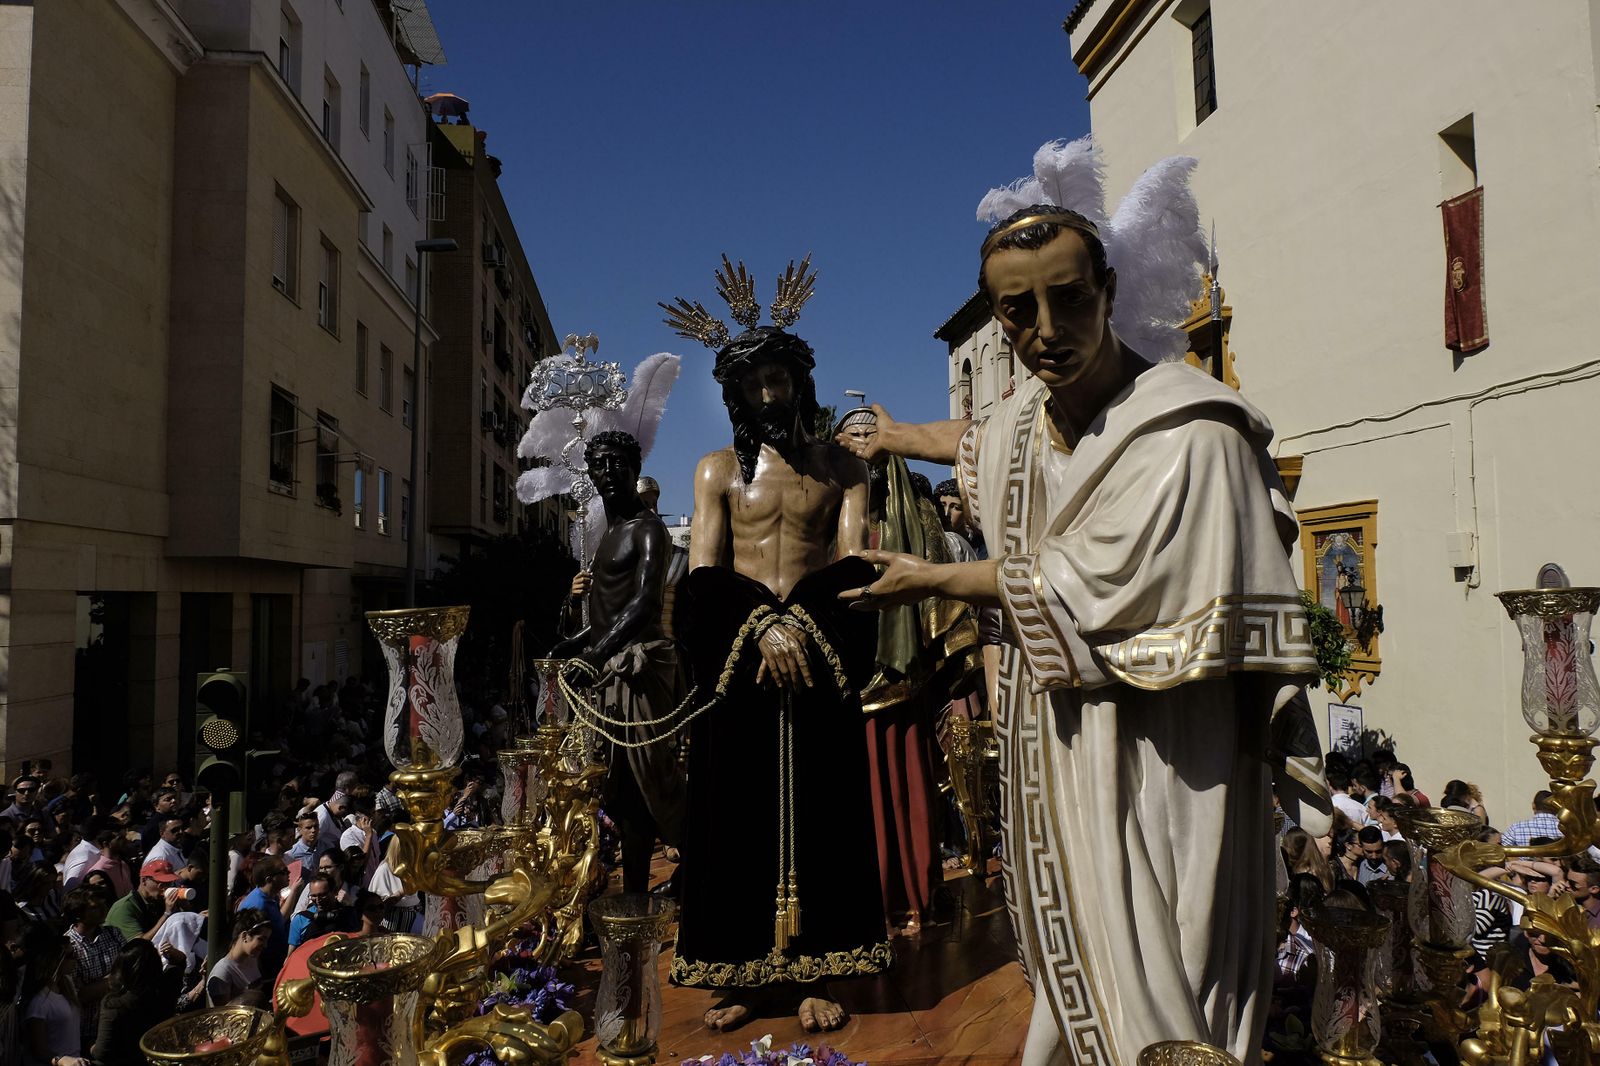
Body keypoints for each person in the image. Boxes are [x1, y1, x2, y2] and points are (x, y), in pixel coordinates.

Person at [834, 203, 1320, 1062]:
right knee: (1089, 945)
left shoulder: (1192, 432)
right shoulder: (1027, 421)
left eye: (1069, 298)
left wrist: (933, 578)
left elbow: (1089, 582)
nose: (1047, 330)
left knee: (1175, 954)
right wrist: (897, 436)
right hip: (1061, 740)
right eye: (1018, 312)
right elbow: (976, 440)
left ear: (1109, 291)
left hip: (1173, 750)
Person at [663, 286, 889, 1033]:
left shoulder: (843, 471)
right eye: (754, 383)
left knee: (826, 814)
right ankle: (743, 971)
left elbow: (853, 568)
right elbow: (703, 577)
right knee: (736, 817)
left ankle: (818, 968)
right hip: (745, 661)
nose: (769, 394)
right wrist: (760, 626)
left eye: (780, 379)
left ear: (800, 383)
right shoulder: (716, 471)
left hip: (819, 660)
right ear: (734, 392)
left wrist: (803, 628)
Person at [835, 405, 979, 935]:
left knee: (903, 786)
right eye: (850, 437)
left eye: (870, 436)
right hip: (842, 675)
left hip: (900, 676)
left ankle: (910, 895)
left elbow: (940, 588)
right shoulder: (828, 510)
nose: (861, 446)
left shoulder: (916, 515)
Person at [552, 431, 689, 896]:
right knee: (620, 790)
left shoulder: (648, 529)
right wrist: (571, 639)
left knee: (652, 782)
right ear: (591, 474)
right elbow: (605, 617)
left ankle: (696, 866)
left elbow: (645, 605)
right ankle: (633, 894)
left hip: (639, 672)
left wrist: (593, 655)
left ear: (635, 469)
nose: (608, 473)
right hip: (609, 670)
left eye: (618, 464)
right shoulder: (608, 535)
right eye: (600, 465)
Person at [91, 939, 180, 1066]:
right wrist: (174, 955)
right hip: (158, 1059)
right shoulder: (166, 989)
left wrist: (91, 1046)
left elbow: (102, 1053)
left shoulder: (114, 1005)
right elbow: (178, 967)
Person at [104, 860, 181, 943]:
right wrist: (166, 914)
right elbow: (139, 943)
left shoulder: (158, 900)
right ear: (144, 881)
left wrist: (183, 906)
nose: (165, 888)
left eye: (169, 883)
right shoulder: (124, 908)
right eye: (161, 884)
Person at [207, 908, 270, 1007]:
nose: (265, 945)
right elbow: (223, 1013)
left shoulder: (253, 958)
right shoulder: (222, 973)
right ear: (245, 936)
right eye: (261, 939)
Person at [288, 873, 357, 947]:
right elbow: (292, 952)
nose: (318, 900)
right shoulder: (300, 919)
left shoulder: (349, 915)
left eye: (322, 895)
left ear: (335, 891)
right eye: (314, 896)